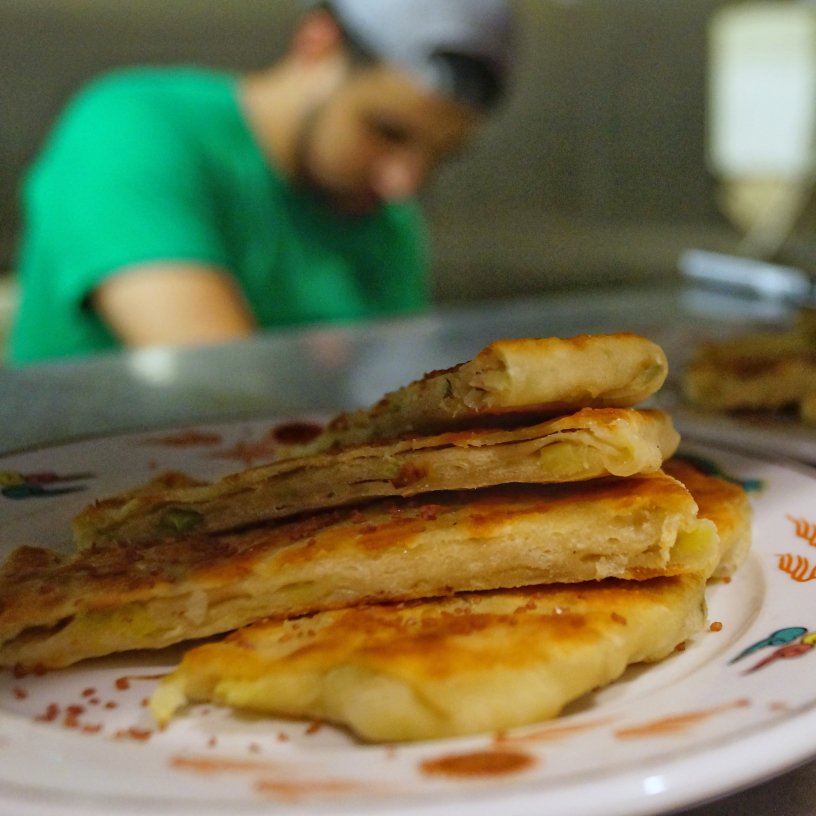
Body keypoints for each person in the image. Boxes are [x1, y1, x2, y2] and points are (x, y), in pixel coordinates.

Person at [8, 0, 513, 365]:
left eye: (441, 156)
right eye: (385, 130)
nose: (403, 182)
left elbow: (398, 398)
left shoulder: (386, 218)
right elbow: (217, 381)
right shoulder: (132, 129)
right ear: (317, 45)